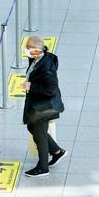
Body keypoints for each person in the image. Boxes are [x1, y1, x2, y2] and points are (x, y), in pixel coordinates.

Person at [21, 36, 67, 178]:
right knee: (31, 127)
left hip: (43, 108)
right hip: (39, 104)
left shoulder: (46, 67)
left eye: (29, 47)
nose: (26, 50)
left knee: (39, 134)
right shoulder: (37, 58)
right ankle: (57, 151)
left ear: (36, 50)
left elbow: (51, 89)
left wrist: (31, 86)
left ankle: (43, 167)